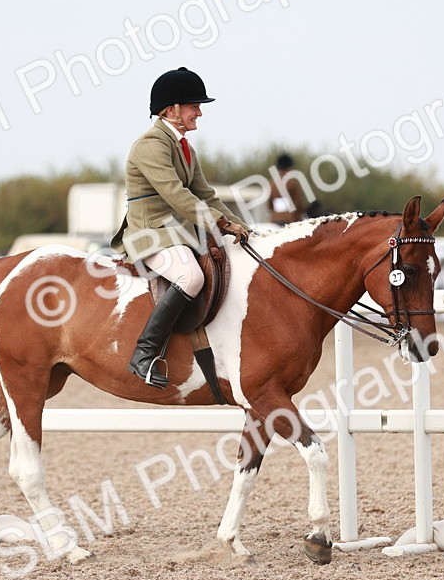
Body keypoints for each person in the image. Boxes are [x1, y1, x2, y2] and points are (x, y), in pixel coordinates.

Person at [111, 67, 252, 388]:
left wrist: (244, 229)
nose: (199, 112)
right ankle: (144, 353)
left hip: (178, 234)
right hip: (150, 235)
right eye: (194, 106)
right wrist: (220, 223)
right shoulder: (150, 145)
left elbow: (207, 195)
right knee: (191, 276)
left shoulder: (185, 147)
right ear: (171, 109)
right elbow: (177, 195)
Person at [268, 152, 310, 225]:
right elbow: (299, 204)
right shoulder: (292, 182)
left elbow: (269, 204)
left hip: (274, 218)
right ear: (289, 167)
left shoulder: (272, 183)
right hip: (290, 219)